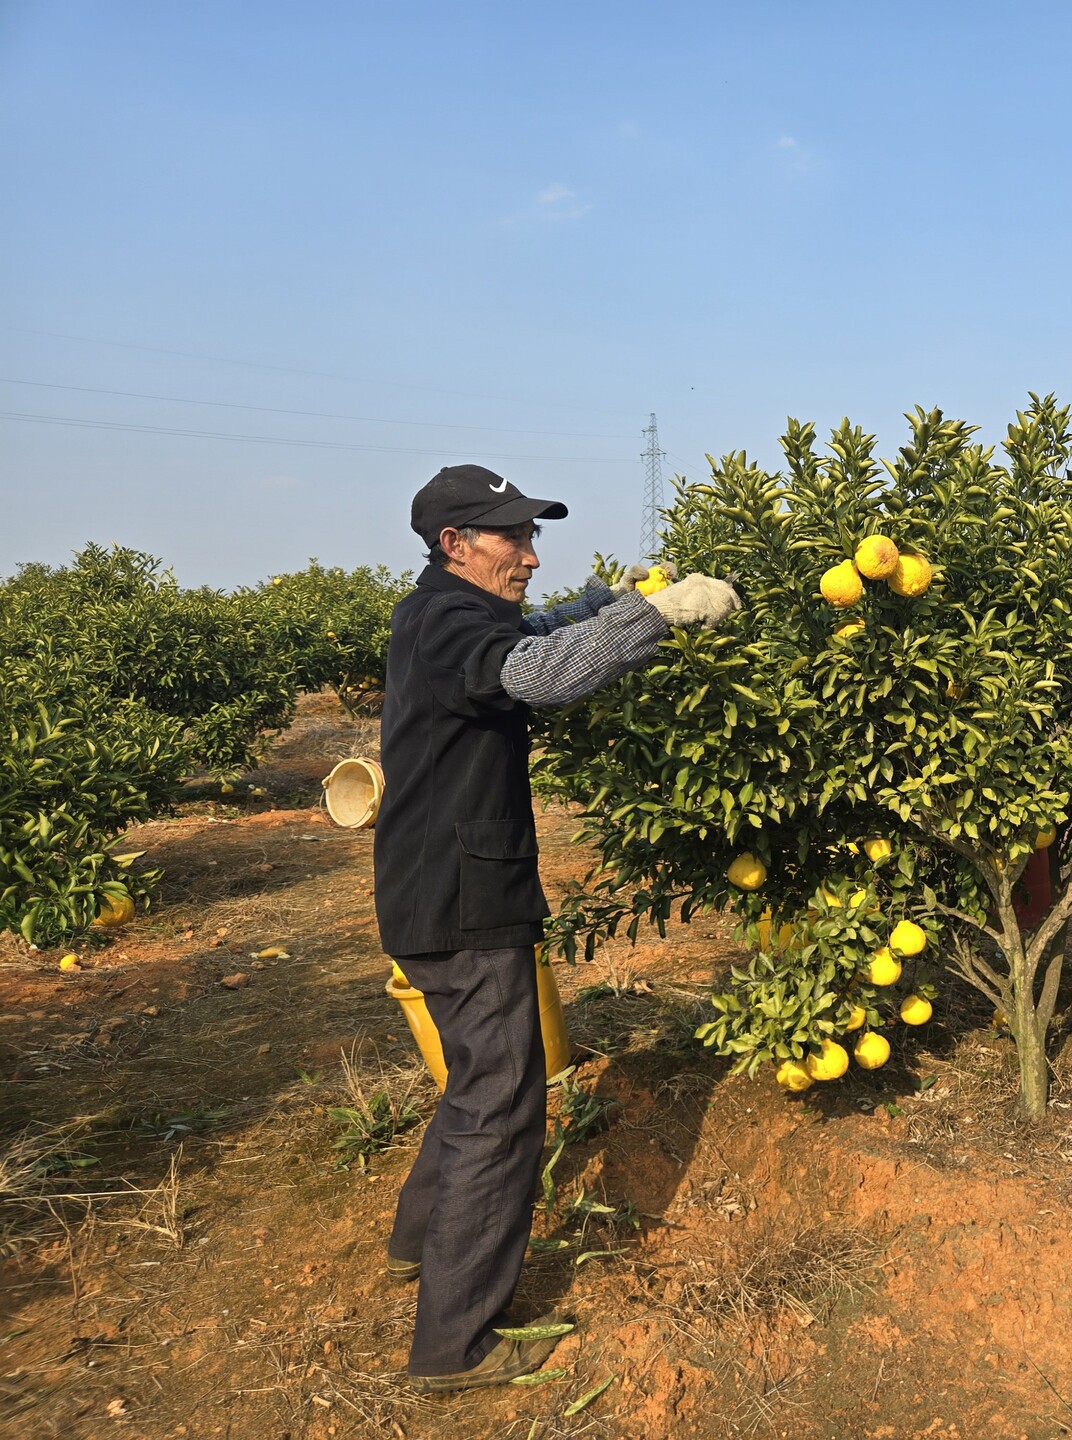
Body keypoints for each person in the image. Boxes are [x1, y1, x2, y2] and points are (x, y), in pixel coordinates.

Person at [373, 464, 738, 1390]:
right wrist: (658, 618)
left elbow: (532, 632)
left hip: (429, 891)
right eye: (512, 539)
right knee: (502, 1105)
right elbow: (537, 673)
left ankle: (420, 1242)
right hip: (464, 904)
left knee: (474, 1081)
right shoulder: (453, 621)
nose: (531, 556)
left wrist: (610, 599)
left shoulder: (442, 613)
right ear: (455, 545)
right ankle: (454, 1345)